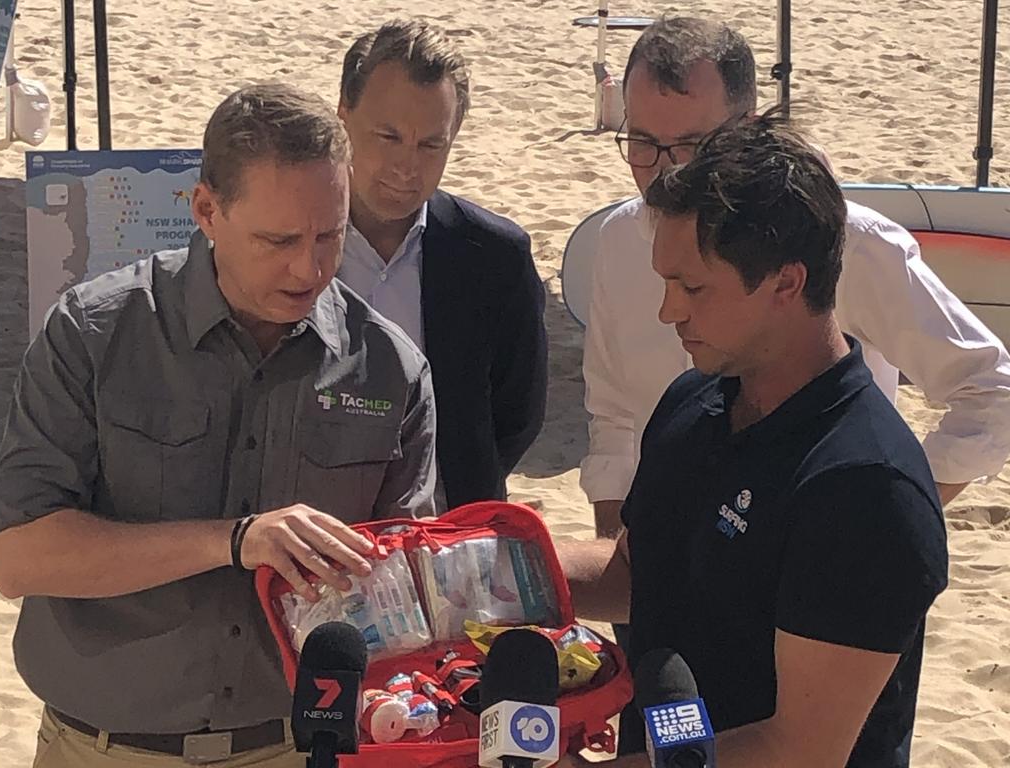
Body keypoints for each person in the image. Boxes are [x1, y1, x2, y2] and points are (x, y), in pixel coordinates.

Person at [0, 84, 437, 768]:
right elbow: (17, 557)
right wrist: (233, 542)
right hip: (103, 751)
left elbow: (411, 586)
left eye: (331, 234)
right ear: (205, 210)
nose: (310, 268)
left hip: (297, 747)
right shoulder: (92, 335)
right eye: (278, 240)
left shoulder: (391, 370)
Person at [559, 114, 948, 768]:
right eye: (665, 282)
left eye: (693, 287)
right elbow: (639, 574)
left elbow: (798, 749)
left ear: (786, 284)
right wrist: (494, 575)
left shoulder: (866, 487)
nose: (668, 310)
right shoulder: (695, 401)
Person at [581, 17, 1010, 540]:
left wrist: (883, 516)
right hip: (662, 569)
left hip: (809, 569)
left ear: (749, 127)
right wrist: (618, 568)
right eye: (643, 143)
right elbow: (612, 416)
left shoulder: (851, 241)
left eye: (693, 144)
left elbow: (992, 390)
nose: (665, 173)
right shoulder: (617, 239)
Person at [336, 20, 548, 509]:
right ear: (343, 115)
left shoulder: (496, 256)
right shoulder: (292, 237)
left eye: (431, 144)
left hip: (447, 532)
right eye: (388, 136)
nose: (407, 166)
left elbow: (518, 413)